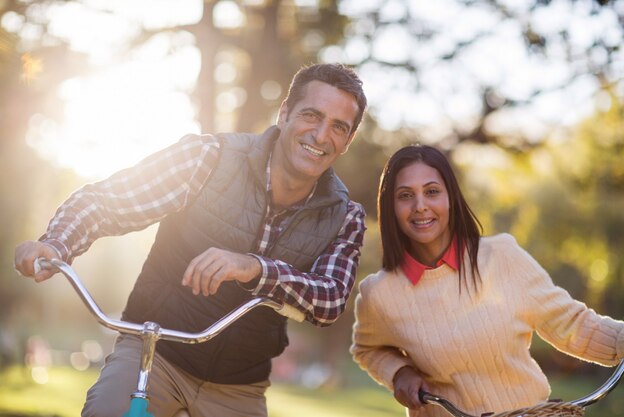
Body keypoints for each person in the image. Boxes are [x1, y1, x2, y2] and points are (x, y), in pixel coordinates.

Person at [14, 63, 368, 417]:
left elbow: (331, 298)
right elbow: (109, 202)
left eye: (339, 127)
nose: (321, 135)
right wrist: (57, 243)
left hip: (238, 387)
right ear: (285, 113)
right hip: (154, 356)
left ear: (348, 141)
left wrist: (254, 268)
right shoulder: (209, 159)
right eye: (311, 115)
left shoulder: (344, 216)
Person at [350, 144, 624, 417]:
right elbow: (367, 349)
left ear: (451, 197)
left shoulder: (503, 256)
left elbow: (571, 323)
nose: (420, 206)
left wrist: (622, 340)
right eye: (405, 195)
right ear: (391, 206)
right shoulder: (379, 293)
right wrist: (399, 373)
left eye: (432, 191)